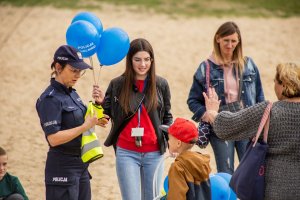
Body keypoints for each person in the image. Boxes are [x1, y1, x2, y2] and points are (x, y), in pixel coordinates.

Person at [203, 62, 300, 199]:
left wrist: (213, 112)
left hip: (274, 190)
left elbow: (229, 126)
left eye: (275, 82)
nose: (274, 86)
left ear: (283, 84)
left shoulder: (269, 111)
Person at [93, 38, 173, 200]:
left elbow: (167, 116)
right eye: (137, 59)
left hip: (154, 153)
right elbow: (104, 118)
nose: (142, 64)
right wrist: (100, 103)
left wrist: (171, 140)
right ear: (130, 60)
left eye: (146, 59)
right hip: (126, 153)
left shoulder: (161, 84)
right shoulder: (117, 84)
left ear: (152, 60)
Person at [187, 21, 265, 174]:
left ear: (238, 41)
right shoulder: (205, 68)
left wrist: (260, 126)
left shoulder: (249, 65)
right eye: (226, 40)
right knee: (225, 172)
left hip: (246, 123)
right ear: (218, 39)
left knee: (249, 171)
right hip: (220, 124)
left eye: (234, 41)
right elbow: (192, 100)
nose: (230, 45)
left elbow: (260, 97)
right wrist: (206, 114)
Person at [36, 45, 108, 200]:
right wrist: (84, 126)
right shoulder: (50, 99)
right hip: (62, 167)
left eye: (80, 71)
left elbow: (78, 120)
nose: (77, 75)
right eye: (73, 70)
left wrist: (98, 110)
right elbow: (53, 139)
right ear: (58, 67)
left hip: (81, 165)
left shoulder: (72, 94)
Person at [160, 118, 211, 200]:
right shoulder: (201, 163)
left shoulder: (178, 168)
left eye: (169, 138)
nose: (168, 141)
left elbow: (176, 197)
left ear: (178, 143)